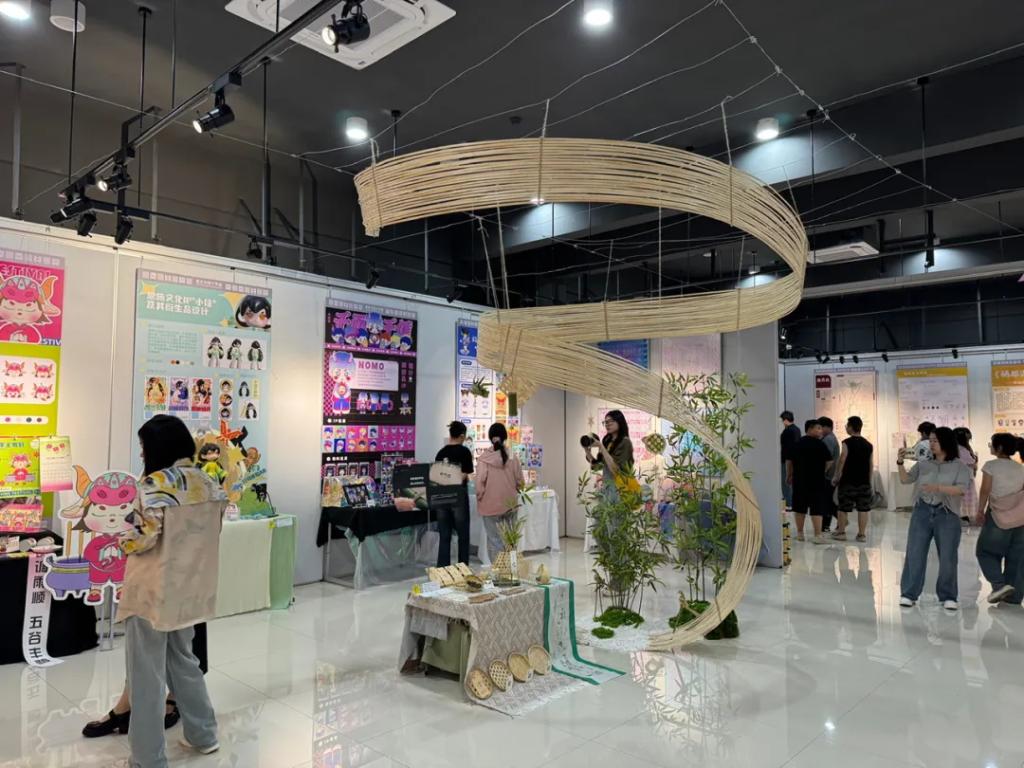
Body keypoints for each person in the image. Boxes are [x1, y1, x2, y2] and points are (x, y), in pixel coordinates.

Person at [118, 414, 225, 767]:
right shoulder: (210, 483)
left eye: (143, 446)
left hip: (151, 590)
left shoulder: (152, 486)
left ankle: (147, 756)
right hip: (190, 589)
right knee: (185, 661)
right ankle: (204, 735)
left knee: (145, 673)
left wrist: (119, 538)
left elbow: (139, 540)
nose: (141, 452)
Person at [897, 426, 972, 610]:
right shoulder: (923, 464)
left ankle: (948, 596)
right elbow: (905, 479)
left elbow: (961, 489)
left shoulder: (959, 466)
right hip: (922, 511)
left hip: (947, 513)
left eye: (935, 441)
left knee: (947, 557)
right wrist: (900, 462)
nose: (931, 444)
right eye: (930, 440)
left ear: (946, 442)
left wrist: (938, 488)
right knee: (915, 553)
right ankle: (909, 593)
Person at [975, 433, 1024, 605]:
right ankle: (1014, 597)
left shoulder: (991, 466)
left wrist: (980, 510)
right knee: (1016, 556)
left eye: (992, 444)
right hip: (1020, 517)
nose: (990, 446)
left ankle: (998, 585)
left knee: (985, 551)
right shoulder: (1020, 468)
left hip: (997, 514)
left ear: (1000, 447)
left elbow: (985, 490)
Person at [476, 423, 524, 561]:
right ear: (505, 437)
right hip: (510, 504)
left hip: (490, 506)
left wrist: (480, 496)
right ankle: (511, 568)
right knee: (510, 540)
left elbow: (480, 483)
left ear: (490, 437)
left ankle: (499, 570)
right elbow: (520, 482)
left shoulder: (484, 458)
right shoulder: (512, 456)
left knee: (494, 540)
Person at [434, 421, 475, 567]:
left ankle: (442, 569)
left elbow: (436, 476)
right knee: (463, 535)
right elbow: (464, 475)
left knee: (444, 535)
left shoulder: (440, 453)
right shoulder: (464, 452)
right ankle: (462, 569)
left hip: (441, 496)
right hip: (458, 496)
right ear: (462, 436)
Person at [787, 419, 833, 545]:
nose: (820, 431)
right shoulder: (821, 444)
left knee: (799, 507)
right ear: (810, 429)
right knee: (817, 508)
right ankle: (817, 535)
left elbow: (789, 461)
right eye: (818, 428)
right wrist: (823, 470)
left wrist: (789, 475)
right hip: (817, 480)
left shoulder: (797, 443)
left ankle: (800, 534)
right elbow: (830, 461)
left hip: (799, 479)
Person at [832, 416, 873, 542]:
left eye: (847, 425)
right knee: (863, 509)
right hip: (864, 481)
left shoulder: (846, 442)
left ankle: (841, 533)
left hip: (848, 481)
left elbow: (842, 459)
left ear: (850, 427)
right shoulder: (868, 445)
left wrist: (837, 475)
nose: (846, 428)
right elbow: (871, 464)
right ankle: (861, 535)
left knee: (843, 507)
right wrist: (869, 481)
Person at [583, 410, 635, 501]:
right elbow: (596, 467)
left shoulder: (625, 442)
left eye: (610, 421)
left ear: (619, 421)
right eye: (605, 422)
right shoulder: (607, 441)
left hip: (621, 490)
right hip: (608, 490)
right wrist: (586, 449)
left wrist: (601, 446)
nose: (607, 424)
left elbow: (616, 471)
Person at [818, 417, 840, 532]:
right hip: (830, 475)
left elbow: (828, 459)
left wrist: (822, 472)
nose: (819, 430)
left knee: (827, 501)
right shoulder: (828, 438)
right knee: (828, 501)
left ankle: (837, 521)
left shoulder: (829, 439)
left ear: (828, 427)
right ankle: (827, 525)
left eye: (821, 427)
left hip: (828, 476)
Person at [954, 427, 978, 523]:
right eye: (967, 438)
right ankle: (963, 517)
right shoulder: (961, 449)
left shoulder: (959, 448)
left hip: (962, 478)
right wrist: (975, 465)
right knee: (964, 500)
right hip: (964, 479)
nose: (969, 440)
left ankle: (963, 516)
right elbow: (972, 462)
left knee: (963, 500)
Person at [779, 411, 801, 511]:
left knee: (786, 482)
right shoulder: (797, 429)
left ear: (785, 420)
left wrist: (788, 460)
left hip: (787, 460)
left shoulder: (787, 431)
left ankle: (789, 503)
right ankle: (792, 502)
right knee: (792, 482)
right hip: (795, 459)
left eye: (782, 420)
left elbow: (788, 448)